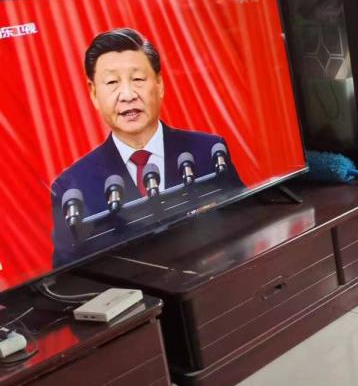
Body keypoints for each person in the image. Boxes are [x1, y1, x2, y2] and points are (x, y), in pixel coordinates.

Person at [50, 28, 243, 265]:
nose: (127, 95)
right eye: (112, 82)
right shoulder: (72, 187)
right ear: (93, 93)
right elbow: (68, 276)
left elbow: (247, 223)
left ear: (159, 83)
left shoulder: (209, 152)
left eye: (138, 79)